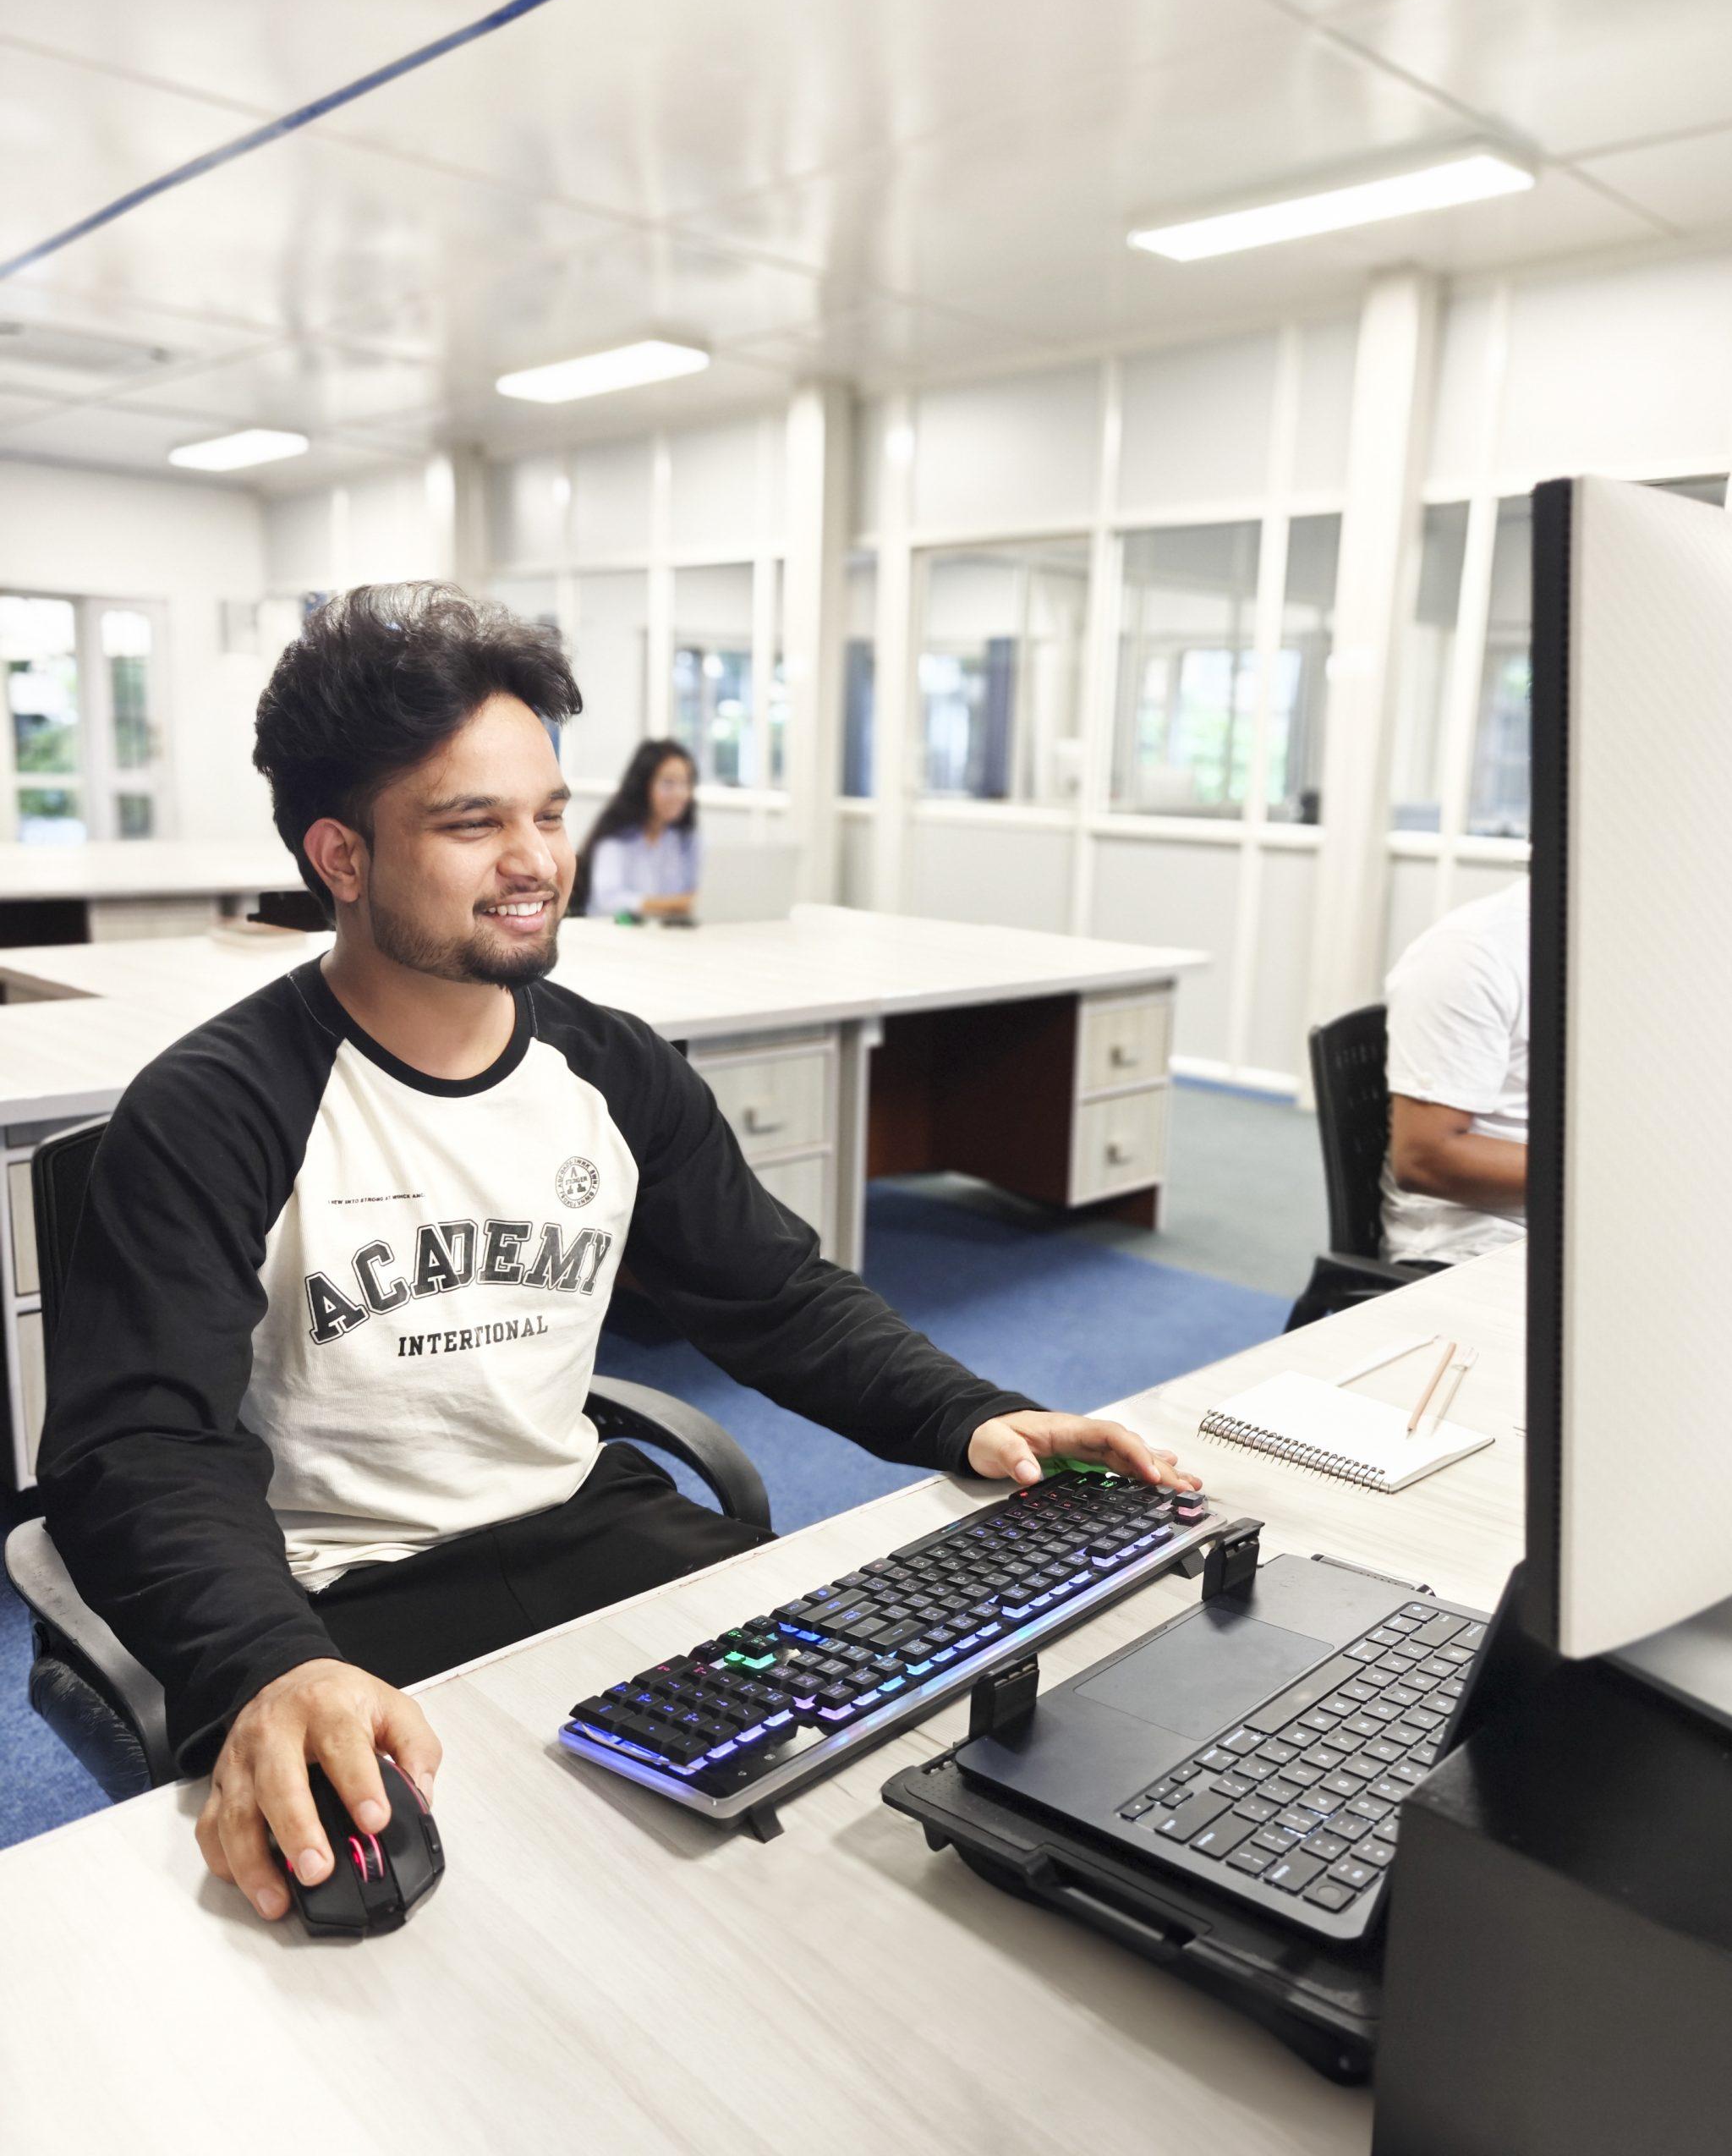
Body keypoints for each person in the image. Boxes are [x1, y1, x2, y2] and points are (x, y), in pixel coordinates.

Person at [36, 582, 1200, 1928]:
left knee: (862, 1805)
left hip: (588, 1522)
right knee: (466, 1941)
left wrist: (976, 1414)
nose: (534, 859)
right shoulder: (217, 1108)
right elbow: (141, 1450)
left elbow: (770, 1291)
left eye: (544, 812)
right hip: (334, 1596)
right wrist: (260, 1667)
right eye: (471, 822)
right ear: (340, 857)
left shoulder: (610, 1066)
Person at [1381, 877, 1529, 1265]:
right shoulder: (1472, 952)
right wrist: (1612, 1181)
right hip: (1485, 1242)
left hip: (1595, 1226)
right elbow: (1426, 1157)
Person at [575, 738, 699, 919]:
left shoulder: (682, 839)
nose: (680, 794)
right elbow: (607, 901)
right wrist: (677, 905)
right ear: (643, 785)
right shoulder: (616, 838)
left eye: (685, 783)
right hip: (612, 934)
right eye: (669, 783)